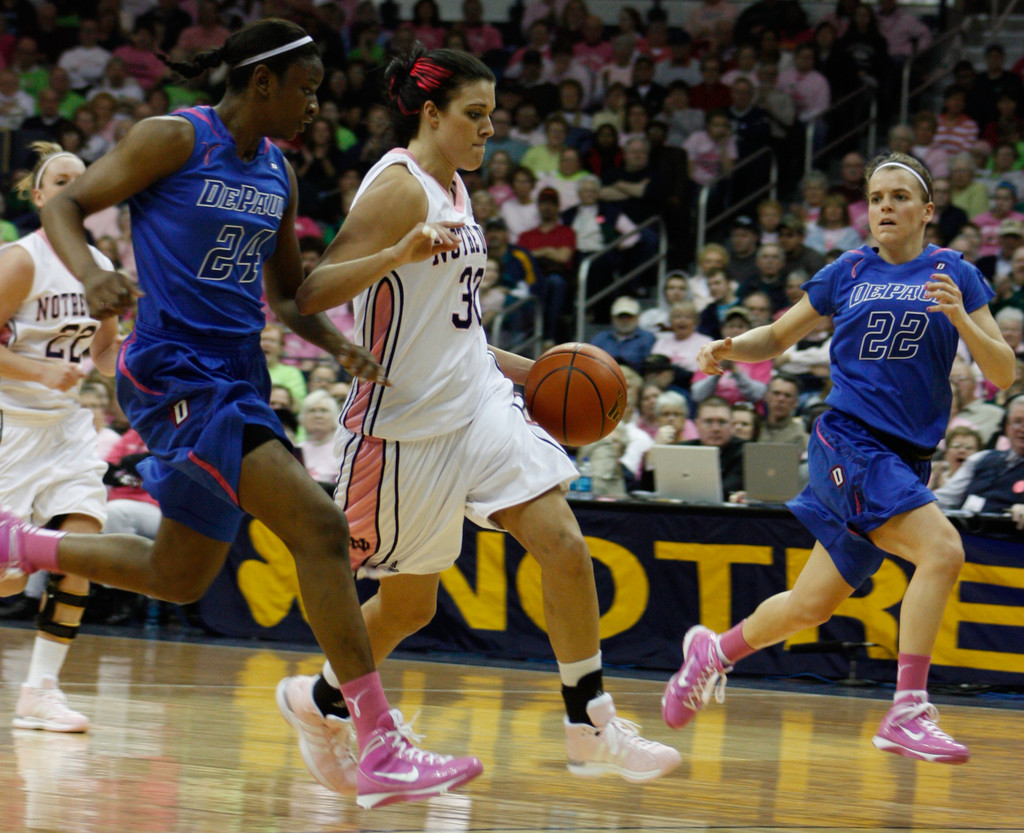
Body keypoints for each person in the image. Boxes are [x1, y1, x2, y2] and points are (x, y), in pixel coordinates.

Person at [2, 19, 482, 809]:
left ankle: (18, 540)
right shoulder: (174, 139)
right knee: (320, 529)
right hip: (172, 370)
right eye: (307, 89)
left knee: (179, 575)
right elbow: (71, 206)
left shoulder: (280, 173)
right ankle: (379, 741)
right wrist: (92, 273)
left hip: (240, 376)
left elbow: (288, 296)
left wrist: (338, 344)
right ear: (263, 83)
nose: (315, 107)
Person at [277, 43, 681, 787]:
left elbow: (457, 330)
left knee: (560, 535)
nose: (488, 129)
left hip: (478, 402)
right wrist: (396, 249)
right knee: (408, 606)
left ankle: (589, 720)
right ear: (431, 114)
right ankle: (318, 698)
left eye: (492, 115)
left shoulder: (458, 189)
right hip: (404, 427)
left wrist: (539, 375)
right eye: (475, 115)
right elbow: (311, 291)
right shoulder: (400, 189)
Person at [663, 151, 1014, 764]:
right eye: (877, 198)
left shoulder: (955, 271)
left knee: (811, 604)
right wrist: (729, 347)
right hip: (850, 440)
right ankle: (907, 709)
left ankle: (713, 653)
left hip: (905, 459)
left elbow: (1003, 372)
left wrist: (961, 316)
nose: (885, 207)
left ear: (928, 211)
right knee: (943, 550)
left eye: (900, 197)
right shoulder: (847, 269)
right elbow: (776, 336)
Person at [0, 142, 121, 732]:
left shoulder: (102, 268)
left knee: (83, 547)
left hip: (68, 428)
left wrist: (133, 341)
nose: (76, 186)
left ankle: (41, 690)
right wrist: (41, 371)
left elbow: (102, 359)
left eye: (85, 179)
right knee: (10, 576)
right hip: (10, 425)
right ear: (42, 195)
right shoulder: (20, 261)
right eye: (62, 178)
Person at [934, 396, 1024, 527]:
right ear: (1007, 426)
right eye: (1017, 421)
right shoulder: (981, 458)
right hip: (967, 538)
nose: (1022, 429)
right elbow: (944, 498)